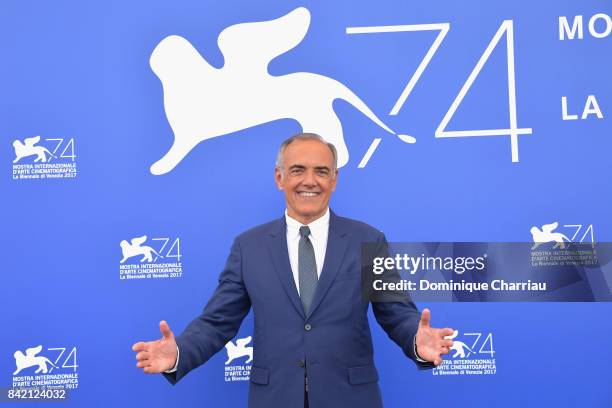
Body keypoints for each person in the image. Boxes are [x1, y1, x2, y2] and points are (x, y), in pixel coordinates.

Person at [132, 133, 454, 408]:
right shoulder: (249, 247)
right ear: (279, 177)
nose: (309, 181)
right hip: (274, 397)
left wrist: (417, 339)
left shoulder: (368, 240)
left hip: (351, 398)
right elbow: (218, 322)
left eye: (321, 171)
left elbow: (396, 313)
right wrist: (179, 352)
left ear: (334, 179)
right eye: (298, 170)